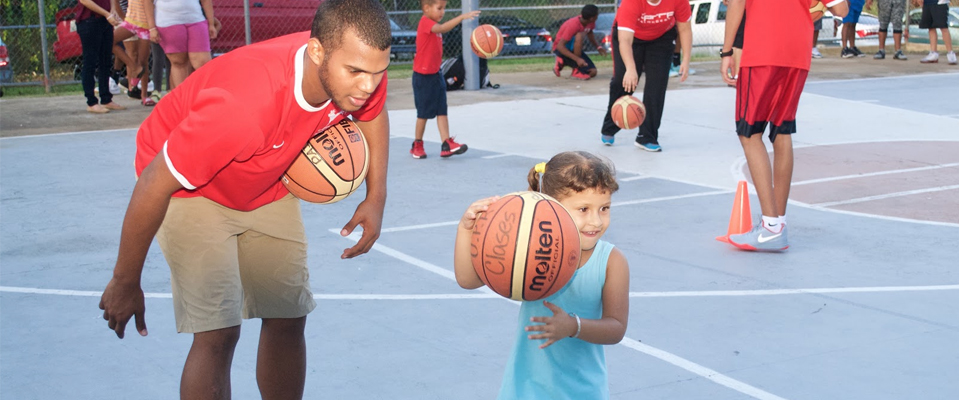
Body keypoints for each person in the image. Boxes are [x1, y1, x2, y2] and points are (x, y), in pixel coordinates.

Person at [96, 1, 393, 398]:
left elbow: (373, 112)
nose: (367, 85)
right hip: (189, 188)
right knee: (218, 331)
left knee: (288, 315)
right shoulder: (246, 106)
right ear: (318, 50)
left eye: (377, 72)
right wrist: (124, 279)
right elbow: (154, 184)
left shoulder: (363, 68)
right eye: (355, 72)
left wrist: (376, 198)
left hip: (264, 178)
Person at [453, 151, 629, 400]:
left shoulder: (612, 261)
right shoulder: (531, 250)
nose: (596, 221)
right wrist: (465, 229)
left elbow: (616, 328)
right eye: (583, 209)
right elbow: (468, 280)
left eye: (604, 208)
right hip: (526, 390)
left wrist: (573, 326)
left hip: (584, 392)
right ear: (551, 207)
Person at [720, 0, 848, 251]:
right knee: (782, 131)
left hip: (763, 48)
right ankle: (778, 222)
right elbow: (841, 9)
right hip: (797, 50)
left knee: (749, 133)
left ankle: (770, 228)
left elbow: (736, 4)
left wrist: (726, 52)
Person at [600, 0, 692, 152]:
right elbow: (625, 40)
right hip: (630, 39)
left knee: (657, 87)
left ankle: (647, 136)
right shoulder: (632, 3)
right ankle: (611, 124)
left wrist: (686, 59)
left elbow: (685, 29)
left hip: (661, 38)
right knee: (623, 82)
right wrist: (630, 68)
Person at [409, 0, 477, 159]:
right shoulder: (426, 23)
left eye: (444, 8)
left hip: (436, 74)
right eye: (439, 8)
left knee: (442, 110)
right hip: (423, 77)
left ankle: (446, 144)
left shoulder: (432, 23)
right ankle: (417, 144)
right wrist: (461, 17)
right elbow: (442, 28)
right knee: (423, 114)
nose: (442, 12)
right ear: (426, 8)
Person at [146, 0, 217, 88]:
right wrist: (152, 28)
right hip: (168, 22)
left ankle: (206, 97)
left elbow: (206, 1)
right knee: (179, 62)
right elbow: (147, 2)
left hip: (196, 19)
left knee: (203, 63)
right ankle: (183, 98)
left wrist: (211, 24)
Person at [75, 0, 127, 114]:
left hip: (105, 21)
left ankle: (106, 99)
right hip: (89, 21)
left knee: (106, 60)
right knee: (90, 62)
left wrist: (113, 9)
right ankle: (92, 102)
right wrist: (106, 13)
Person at [112, 0, 155, 105]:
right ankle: (134, 67)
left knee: (143, 59)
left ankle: (144, 96)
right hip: (130, 21)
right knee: (109, 41)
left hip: (145, 24)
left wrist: (153, 27)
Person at [554, 4, 606, 80]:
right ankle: (576, 69)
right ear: (592, 18)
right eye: (597, 14)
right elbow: (560, 46)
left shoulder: (591, 22)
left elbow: (589, 32)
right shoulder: (573, 25)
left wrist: (597, 46)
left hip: (574, 50)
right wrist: (577, 59)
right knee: (579, 35)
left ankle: (562, 63)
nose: (597, 16)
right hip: (561, 50)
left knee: (593, 72)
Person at [913, 0, 959, 64]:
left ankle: (950, 53)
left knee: (943, 27)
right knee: (931, 27)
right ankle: (933, 53)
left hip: (940, 3)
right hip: (927, 3)